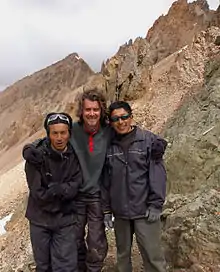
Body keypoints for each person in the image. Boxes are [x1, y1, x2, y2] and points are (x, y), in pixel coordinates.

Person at [23, 89, 110, 272]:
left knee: (96, 240)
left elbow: (126, 130)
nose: (92, 113)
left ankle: (93, 269)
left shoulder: (109, 131)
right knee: (73, 240)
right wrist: (28, 149)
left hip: (95, 195)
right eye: (88, 109)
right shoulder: (73, 130)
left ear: (101, 110)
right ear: (82, 111)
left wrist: (151, 141)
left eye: (96, 109)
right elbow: (50, 136)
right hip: (75, 199)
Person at [102, 101, 167, 272]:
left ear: (131, 117)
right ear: (111, 122)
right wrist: (107, 210)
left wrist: (156, 204)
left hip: (144, 210)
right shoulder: (108, 146)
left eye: (124, 117)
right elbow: (106, 180)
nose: (121, 122)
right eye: (115, 119)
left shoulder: (149, 141)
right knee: (123, 256)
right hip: (120, 213)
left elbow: (157, 175)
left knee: (152, 255)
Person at [24, 112, 83, 272]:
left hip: (64, 220)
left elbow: (77, 184)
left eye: (63, 132)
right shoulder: (36, 156)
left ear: (69, 133)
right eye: (54, 133)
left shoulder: (76, 155)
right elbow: (38, 193)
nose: (59, 137)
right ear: (48, 134)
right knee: (43, 266)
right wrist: (63, 193)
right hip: (40, 220)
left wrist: (60, 189)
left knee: (66, 266)